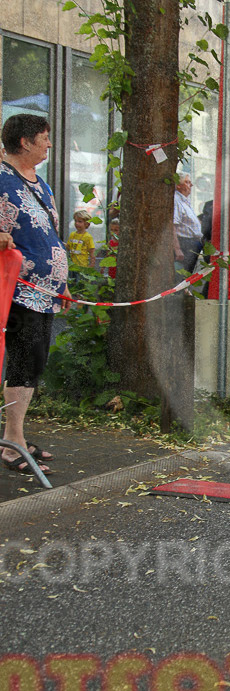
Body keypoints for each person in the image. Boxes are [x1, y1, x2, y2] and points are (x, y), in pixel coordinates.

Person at [0, 114, 72, 474]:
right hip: (18, 290)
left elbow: (52, 237)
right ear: (25, 142)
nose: (48, 144)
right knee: (24, 362)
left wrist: (63, 281)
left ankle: (16, 436)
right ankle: (12, 445)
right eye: (44, 138)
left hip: (46, 291)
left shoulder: (41, 184)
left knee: (34, 363)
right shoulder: (1, 179)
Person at [173, 172, 203, 272]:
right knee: (183, 276)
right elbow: (173, 225)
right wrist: (177, 249)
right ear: (178, 185)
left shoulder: (185, 200)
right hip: (185, 244)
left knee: (188, 275)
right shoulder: (176, 200)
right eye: (187, 182)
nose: (191, 185)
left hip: (193, 243)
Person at [66, 210, 96, 277]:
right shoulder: (72, 234)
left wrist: (91, 265)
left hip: (82, 266)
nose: (77, 223)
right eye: (75, 221)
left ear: (87, 224)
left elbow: (92, 252)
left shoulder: (88, 237)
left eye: (80, 222)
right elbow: (68, 247)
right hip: (72, 265)